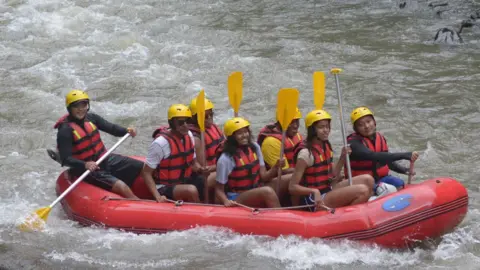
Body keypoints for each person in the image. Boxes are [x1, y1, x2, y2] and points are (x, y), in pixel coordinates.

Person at [54, 89, 141, 198]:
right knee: (121, 187)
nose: (81, 109)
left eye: (84, 105)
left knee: (140, 166)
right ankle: (138, 202)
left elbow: (112, 128)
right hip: (87, 169)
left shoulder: (92, 118)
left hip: (104, 159)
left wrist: (126, 130)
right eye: (76, 106)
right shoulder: (65, 130)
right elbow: (66, 159)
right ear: (70, 108)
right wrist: (85, 164)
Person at [289, 109, 374, 211]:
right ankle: (346, 217)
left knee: (368, 179)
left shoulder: (325, 146)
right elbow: (292, 187)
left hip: (327, 189)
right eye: (321, 127)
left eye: (327, 126)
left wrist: (343, 157)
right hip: (314, 199)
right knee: (363, 190)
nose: (326, 130)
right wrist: (313, 191)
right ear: (312, 130)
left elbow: (333, 175)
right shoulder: (306, 154)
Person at [141, 104, 208, 203]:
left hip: (184, 180)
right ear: (172, 123)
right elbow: (146, 172)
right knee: (191, 190)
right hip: (164, 186)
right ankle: (199, 212)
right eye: (181, 123)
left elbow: (193, 163)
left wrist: (201, 169)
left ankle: (212, 205)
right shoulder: (160, 143)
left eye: (187, 121)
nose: (185, 125)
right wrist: (157, 196)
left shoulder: (189, 135)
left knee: (212, 178)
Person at [347, 107, 419, 191]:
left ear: (374, 122)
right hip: (362, 183)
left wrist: (404, 170)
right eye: (360, 125)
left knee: (399, 184)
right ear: (356, 129)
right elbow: (373, 156)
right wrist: (404, 155)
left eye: (368, 121)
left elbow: (385, 160)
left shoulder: (380, 138)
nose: (366, 126)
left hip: (380, 179)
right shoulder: (353, 143)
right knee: (384, 189)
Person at [215, 117, 282, 208]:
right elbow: (219, 189)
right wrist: (225, 201)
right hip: (237, 197)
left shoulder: (255, 147)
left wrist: (276, 167)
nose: (244, 135)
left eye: (246, 131)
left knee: (288, 179)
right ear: (231, 137)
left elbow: (264, 176)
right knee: (267, 191)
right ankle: (280, 217)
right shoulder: (225, 159)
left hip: (256, 188)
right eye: (239, 133)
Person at [257, 107, 302, 202]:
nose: (295, 126)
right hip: (273, 183)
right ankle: (297, 209)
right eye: (291, 122)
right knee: (295, 176)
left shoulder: (296, 135)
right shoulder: (271, 142)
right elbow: (283, 172)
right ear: (281, 122)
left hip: (294, 175)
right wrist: (304, 170)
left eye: (297, 121)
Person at [188, 97, 225, 203]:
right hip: (201, 178)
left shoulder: (214, 127)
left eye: (211, 114)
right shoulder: (196, 138)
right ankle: (218, 204)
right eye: (205, 116)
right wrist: (225, 166)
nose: (209, 118)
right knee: (225, 173)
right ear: (195, 118)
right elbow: (203, 169)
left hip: (216, 169)